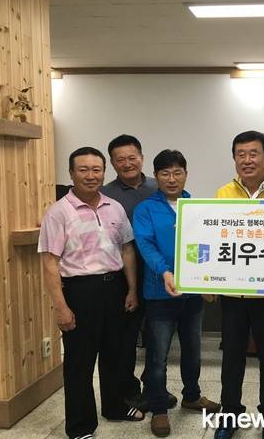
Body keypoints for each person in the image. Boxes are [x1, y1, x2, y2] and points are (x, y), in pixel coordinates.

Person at [38, 147, 144, 439]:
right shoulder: (59, 212)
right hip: (80, 291)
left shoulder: (114, 207)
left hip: (115, 288)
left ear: (104, 172)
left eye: (96, 170)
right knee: (79, 363)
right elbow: (50, 263)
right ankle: (80, 426)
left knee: (115, 355)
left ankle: (115, 406)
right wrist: (61, 306)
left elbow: (127, 249)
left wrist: (132, 289)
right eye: (83, 169)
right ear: (71, 173)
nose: (90, 175)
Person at [208, 130, 264, 439]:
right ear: (234, 159)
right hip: (233, 294)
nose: (247, 160)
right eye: (241, 154)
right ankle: (230, 414)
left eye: (254, 153)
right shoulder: (222, 194)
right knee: (231, 356)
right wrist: (207, 283)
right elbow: (214, 239)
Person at [133, 149, 220, 437]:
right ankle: (159, 408)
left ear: (186, 174)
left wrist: (209, 282)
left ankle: (192, 395)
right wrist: (165, 272)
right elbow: (146, 245)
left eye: (177, 172)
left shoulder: (196, 207)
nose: (172, 179)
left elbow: (209, 246)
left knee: (193, 350)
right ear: (155, 176)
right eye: (165, 173)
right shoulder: (146, 209)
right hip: (160, 294)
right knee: (158, 356)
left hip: (192, 294)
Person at [101, 134, 176, 411]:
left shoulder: (161, 185)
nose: (127, 163)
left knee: (158, 338)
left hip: (160, 274)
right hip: (124, 276)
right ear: (112, 163)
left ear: (142, 158)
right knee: (126, 337)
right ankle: (127, 390)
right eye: (120, 159)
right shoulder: (106, 194)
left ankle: (154, 388)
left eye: (132, 157)